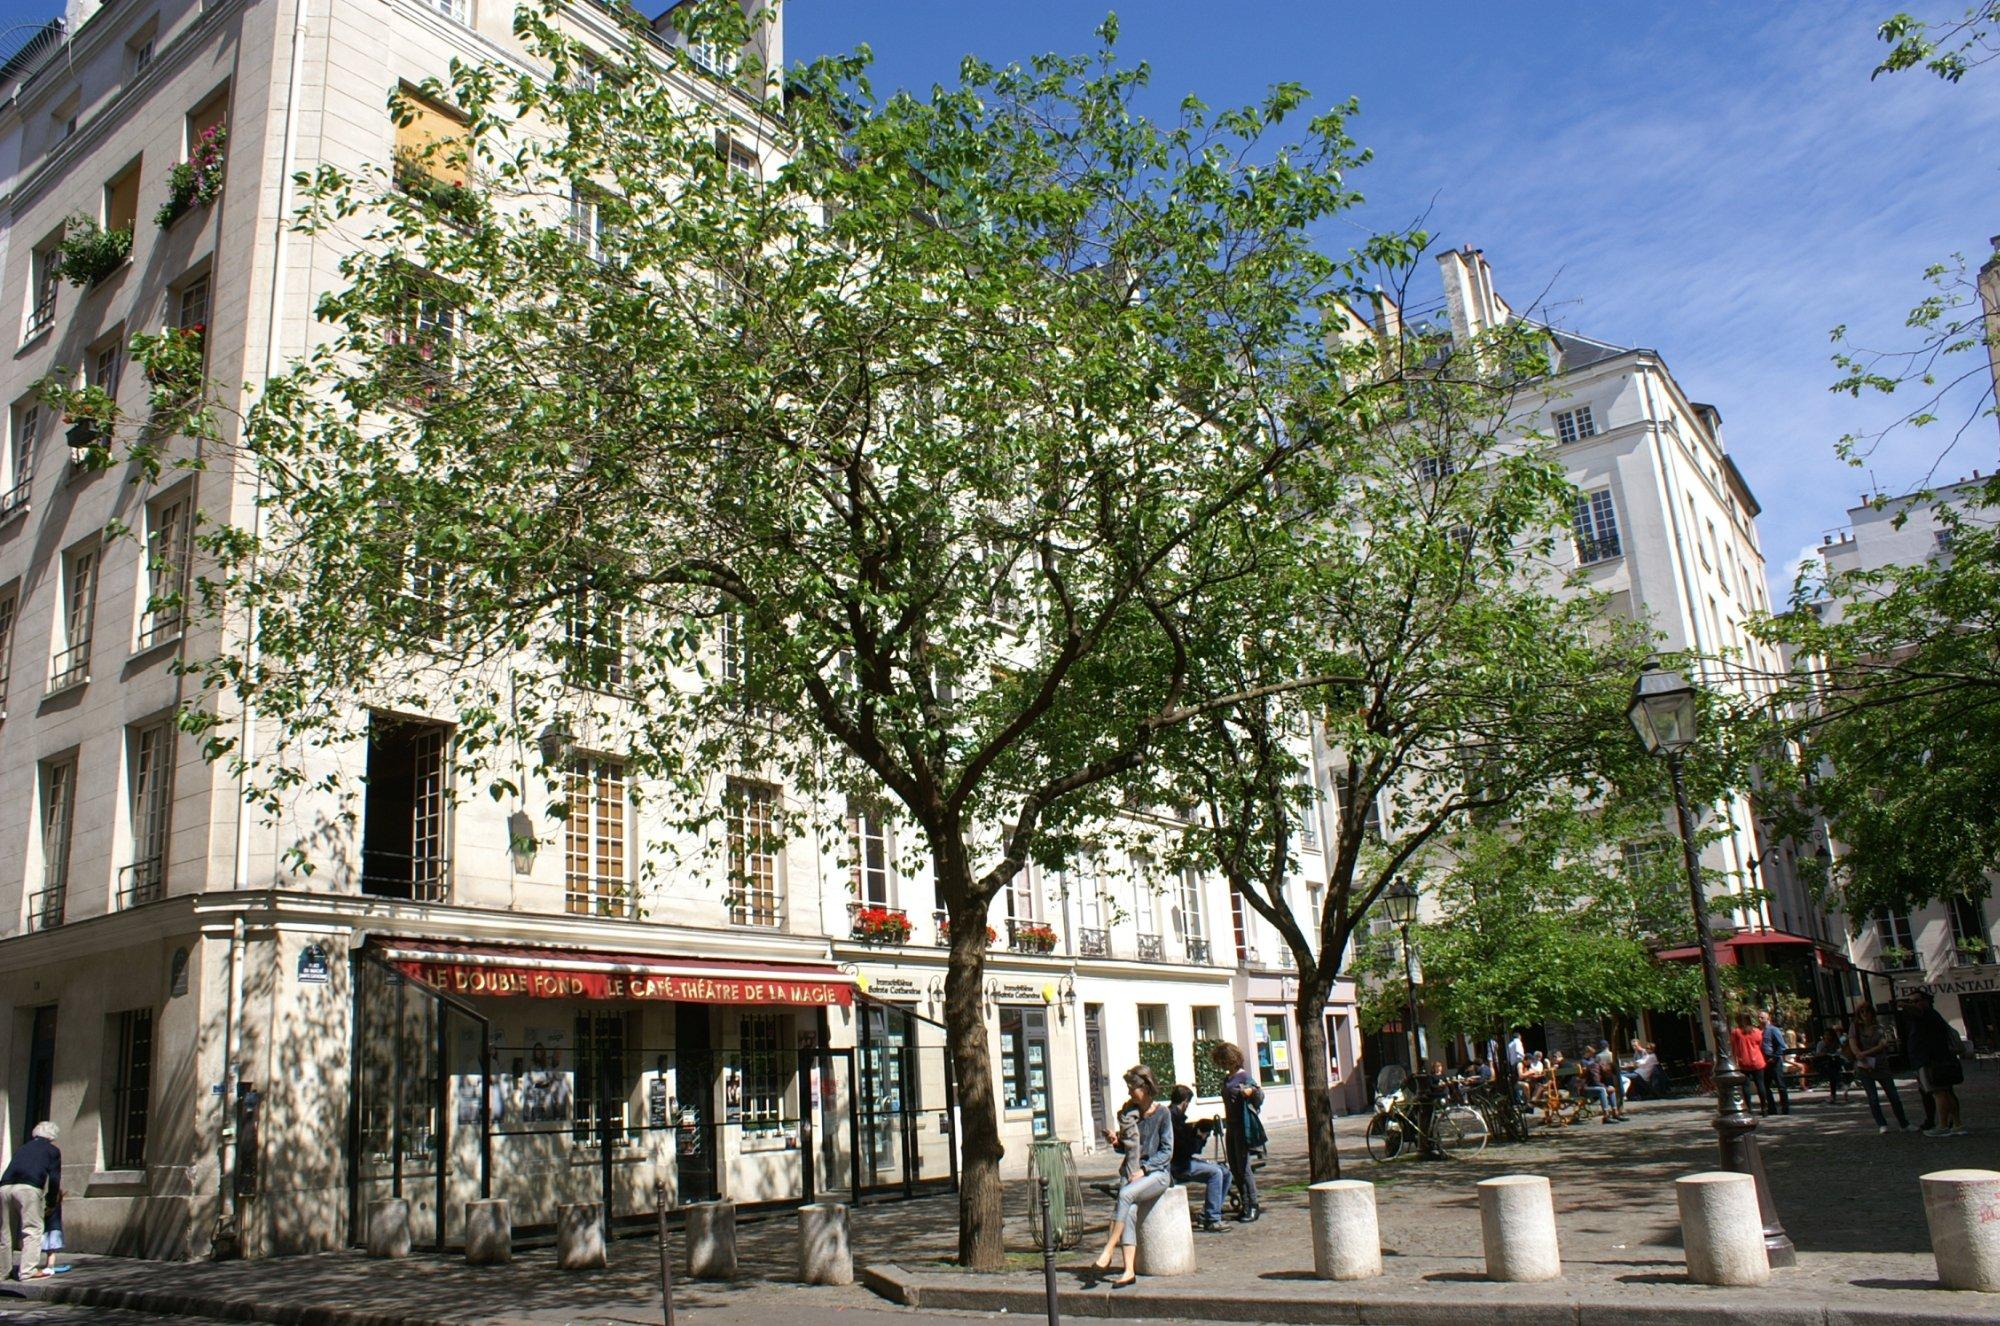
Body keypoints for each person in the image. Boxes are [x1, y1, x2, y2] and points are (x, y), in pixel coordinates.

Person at [1092, 1066, 1173, 1286]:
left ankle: (1108, 1250)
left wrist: (1145, 1169)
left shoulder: (1162, 1113)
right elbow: (1129, 1149)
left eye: (1132, 1088)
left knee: (1125, 1195)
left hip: (1158, 1174)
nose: (1129, 1093)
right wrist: (1117, 1142)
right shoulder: (1130, 1115)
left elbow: (1167, 1151)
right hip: (1134, 1174)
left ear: (1145, 1087)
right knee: (1128, 1210)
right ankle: (1129, 1271)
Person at [1167, 1084, 1231, 1233]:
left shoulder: (1174, 1116)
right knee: (1216, 1173)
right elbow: (1185, 1148)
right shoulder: (1172, 1117)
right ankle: (1213, 1219)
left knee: (1226, 1172)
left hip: (1182, 1161)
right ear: (1185, 1102)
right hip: (1177, 1165)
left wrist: (1195, 1131)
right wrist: (1199, 1137)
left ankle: (1207, 1213)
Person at [1, 1123, 61, 1281]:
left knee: (4, 1232)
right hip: (28, 1188)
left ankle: (2, 1272)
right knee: (33, 1229)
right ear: (52, 1137)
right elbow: (54, 1178)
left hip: (5, 1187)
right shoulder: (52, 1150)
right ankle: (27, 1271)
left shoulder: (23, 1148)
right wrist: (51, 1201)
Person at [1210, 1042, 1263, 1223]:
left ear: (1231, 1059)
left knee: (1244, 1167)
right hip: (1231, 1127)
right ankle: (1245, 1204)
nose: (1221, 1065)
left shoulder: (1244, 1077)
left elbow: (1259, 1094)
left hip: (1243, 1127)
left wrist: (1250, 1092)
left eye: (1223, 1061)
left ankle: (1253, 1205)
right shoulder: (1228, 1079)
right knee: (1234, 1167)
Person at [1903, 991, 1966, 1136]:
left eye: (1916, 1000)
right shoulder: (1929, 1015)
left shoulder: (1927, 1015)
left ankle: (1943, 1125)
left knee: (1939, 1092)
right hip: (1938, 1058)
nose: (1913, 1004)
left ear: (1925, 1001)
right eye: (1911, 1001)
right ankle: (1957, 1124)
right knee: (1946, 1092)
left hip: (1931, 1060)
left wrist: (1902, 1004)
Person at [1847, 1002, 1912, 1134]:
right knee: (1873, 1098)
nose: (1865, 1014)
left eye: (1867, 1011)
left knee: (1893, 1096)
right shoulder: (1855, 1028)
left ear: (1872, 1013)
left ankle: (1903, 1123)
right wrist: (1858, 1054)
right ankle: (1882, 1124)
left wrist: (1863, 1053)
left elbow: (1882, 1044)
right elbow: (1852, 1042)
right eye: (1862, 1012)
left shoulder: (1879, 1028)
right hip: (1864, 1066)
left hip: (1880, 1065)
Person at [1730, 1010, 1769, 1115]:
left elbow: (1733, 1047)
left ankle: (1749, 1108)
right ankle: (1764, 1107)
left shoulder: (1736, 1032)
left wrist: (1735, 1059)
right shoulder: (1757, 1031)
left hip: (1744, 1062)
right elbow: (1760, 1045)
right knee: (1760, 1084)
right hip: (1758, 1061)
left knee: (1746, 1086)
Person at [1758, 1009, 1791, 1116]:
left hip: (1774, 1061)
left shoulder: (1773, 1030)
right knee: (1765, 1086)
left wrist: (1775, 1057)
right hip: (1763, 1062)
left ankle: (1785, 1108)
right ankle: (1772, 1108)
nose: (1759, 1019)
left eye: (1762, 1017)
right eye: (1758, 1017)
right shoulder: (1758, 1031)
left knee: (1780, 1085)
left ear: (1768, 1018)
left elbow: (1782, 1046)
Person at [1810, 1024, 1848, 1104]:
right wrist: (1825, 1053)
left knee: (1832, 1071)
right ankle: (1841, 1085)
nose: (1827, 1037)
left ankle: (1834, 1095)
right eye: (1825, 1035)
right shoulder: (1821, 1043)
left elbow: (1839, 1053)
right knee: (1833, 1072)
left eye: (1829, 1035)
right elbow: (1818, 1055)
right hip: (1823, 1065)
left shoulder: (1836, 1043)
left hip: (1834, 1064)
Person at [1577, 1054, 1617, 1122]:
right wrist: (1607, 1088)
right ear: (1608, 1066)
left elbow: (1602, 1084)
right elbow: (1596, 1082)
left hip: (1593, 1089)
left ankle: (1615, 1113)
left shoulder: (1604, 1071)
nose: (1608, 1074)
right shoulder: (1595, 1066)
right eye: (1609, 1071)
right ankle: (1606, 1116)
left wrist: (1609, 1088)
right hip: (1584, 1088)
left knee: (1611, 1088)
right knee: (1603, 1089)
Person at [1593, 1039, 1628, 1120]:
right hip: (1615, 1076)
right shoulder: (1613, 1054)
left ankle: (1614, 1110)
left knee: (1611, 1091)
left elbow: (1597, 1068)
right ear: (1608, 1046)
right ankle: (1619, 1110)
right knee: (1618, 1092)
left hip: (1606, 1077)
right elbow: (1618, 1065)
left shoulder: (1598, 1056)